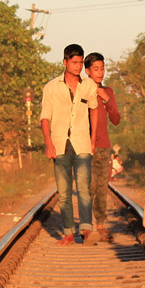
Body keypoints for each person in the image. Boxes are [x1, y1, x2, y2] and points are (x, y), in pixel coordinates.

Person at [39, 44, 98, 245]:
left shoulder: (89, 85)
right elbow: (45, 117)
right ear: (65, 62)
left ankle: (87, 230)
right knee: (64, 192)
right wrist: (48, 143)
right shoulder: (51, 88)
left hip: (82, 143)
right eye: (74, 62)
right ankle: (68, 233)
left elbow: (94, 110)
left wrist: (93, 139)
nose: (78, 66)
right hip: (59, 144)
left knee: (83, 188)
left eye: (81, 62)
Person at [83, 52, 120, 244]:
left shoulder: (108, 92)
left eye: (102, 68)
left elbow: (116, 119)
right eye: (96, 69)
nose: (100, 73)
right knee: (88, 187)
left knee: (102, 188)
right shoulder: (81, 91)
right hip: (86, 147)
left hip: (104, 146)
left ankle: (100, 225)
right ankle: (87, 226)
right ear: (87, 71)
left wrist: (106, 99)